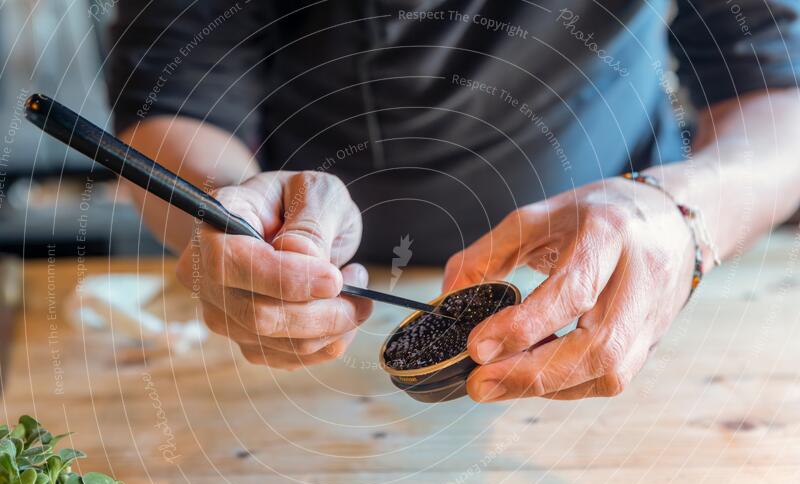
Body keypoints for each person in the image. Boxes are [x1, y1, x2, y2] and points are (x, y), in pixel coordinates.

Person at [107, 1, 800, 402]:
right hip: (321, 275)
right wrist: (238, 220)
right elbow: (172, 99)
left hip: (634, 280)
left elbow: (778, 89)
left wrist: (683, 212)